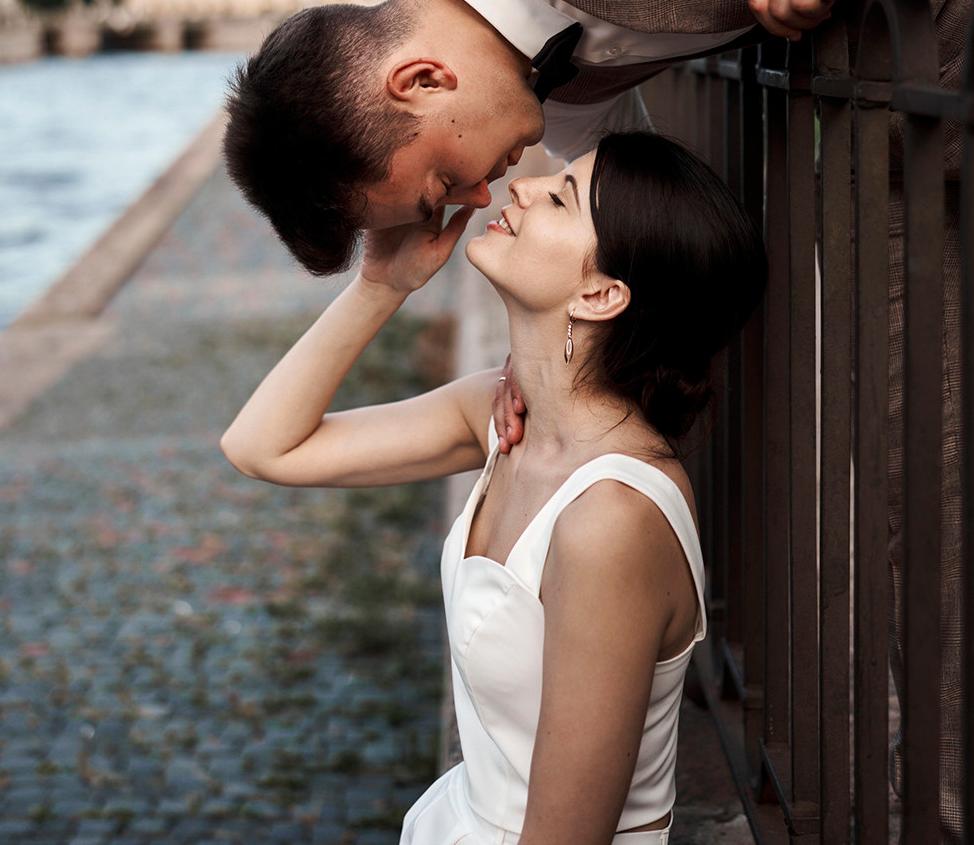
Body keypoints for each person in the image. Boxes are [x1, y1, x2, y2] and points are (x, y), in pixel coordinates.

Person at [224, 0, 972, 837]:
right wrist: (385, 280)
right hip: (897, 80)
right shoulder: (538, 93)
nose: (474, 203)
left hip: (940, 7)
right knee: (894, 424)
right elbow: (591, 239)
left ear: (416, 78)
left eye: (440, 183)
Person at [221, 131, 767, 844]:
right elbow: (262, 446)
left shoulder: (612, 519)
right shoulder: (502, 417)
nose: (522, 187)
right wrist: (382, 284)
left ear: (601, 294)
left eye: (562, 197)